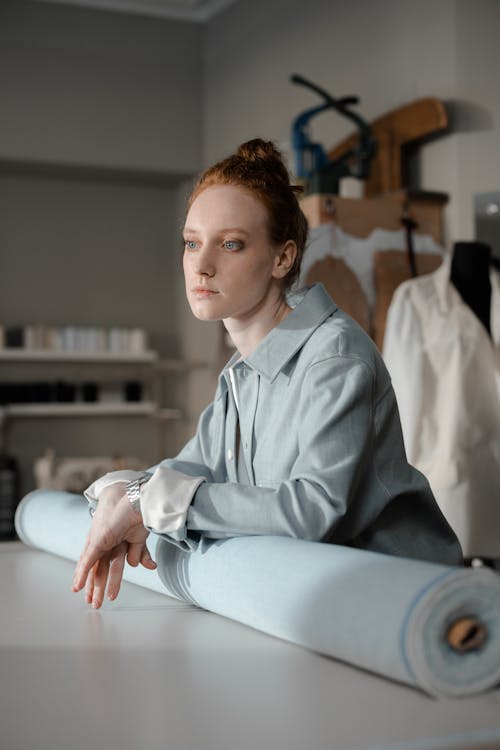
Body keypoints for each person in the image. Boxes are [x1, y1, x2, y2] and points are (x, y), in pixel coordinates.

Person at [72, 139, 462, 609]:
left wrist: (149, 504)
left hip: (410, 604)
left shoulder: (334, 356)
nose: (202, 264)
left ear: (283, 258)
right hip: (314, 596)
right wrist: (124, 492)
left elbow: (311, 511)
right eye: (192, 242)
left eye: (230, 244)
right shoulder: (242, 371)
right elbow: (192, 467)